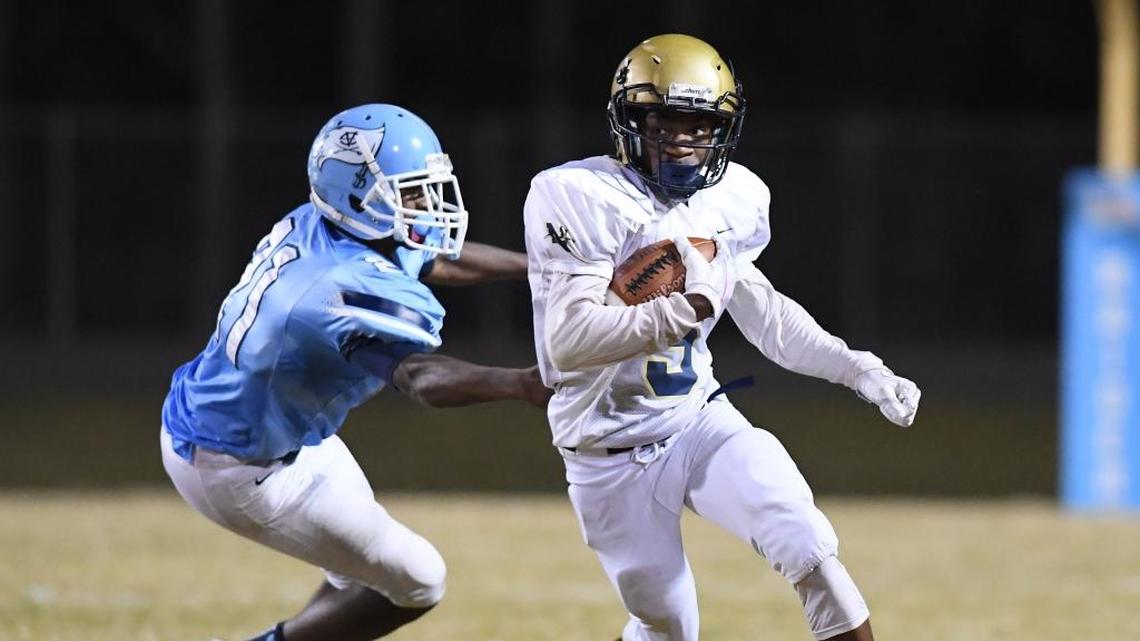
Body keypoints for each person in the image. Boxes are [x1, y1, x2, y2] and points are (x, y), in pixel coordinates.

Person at [523, 34, 921, 641]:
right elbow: (568, 343)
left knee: (807, 543)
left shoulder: (733, 198)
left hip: (697, 420)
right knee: (667, 625)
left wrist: (858, 368)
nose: (684, 142)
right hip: (608, 449)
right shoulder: (579, 194)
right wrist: (689, 307)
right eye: (665, 124)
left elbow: (767, 314)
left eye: (700, 127)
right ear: (632, 122)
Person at [160, 103, 548, 641]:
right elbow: (419, 378)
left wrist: (541, 267)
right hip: (240, 464)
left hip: (243, 421)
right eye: (411, 193)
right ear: (358, 195)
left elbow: (434, 257)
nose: (426, 205)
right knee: (418, 580)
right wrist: (522, 384)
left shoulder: (323, 224)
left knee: (361, 572)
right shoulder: (336, 289)